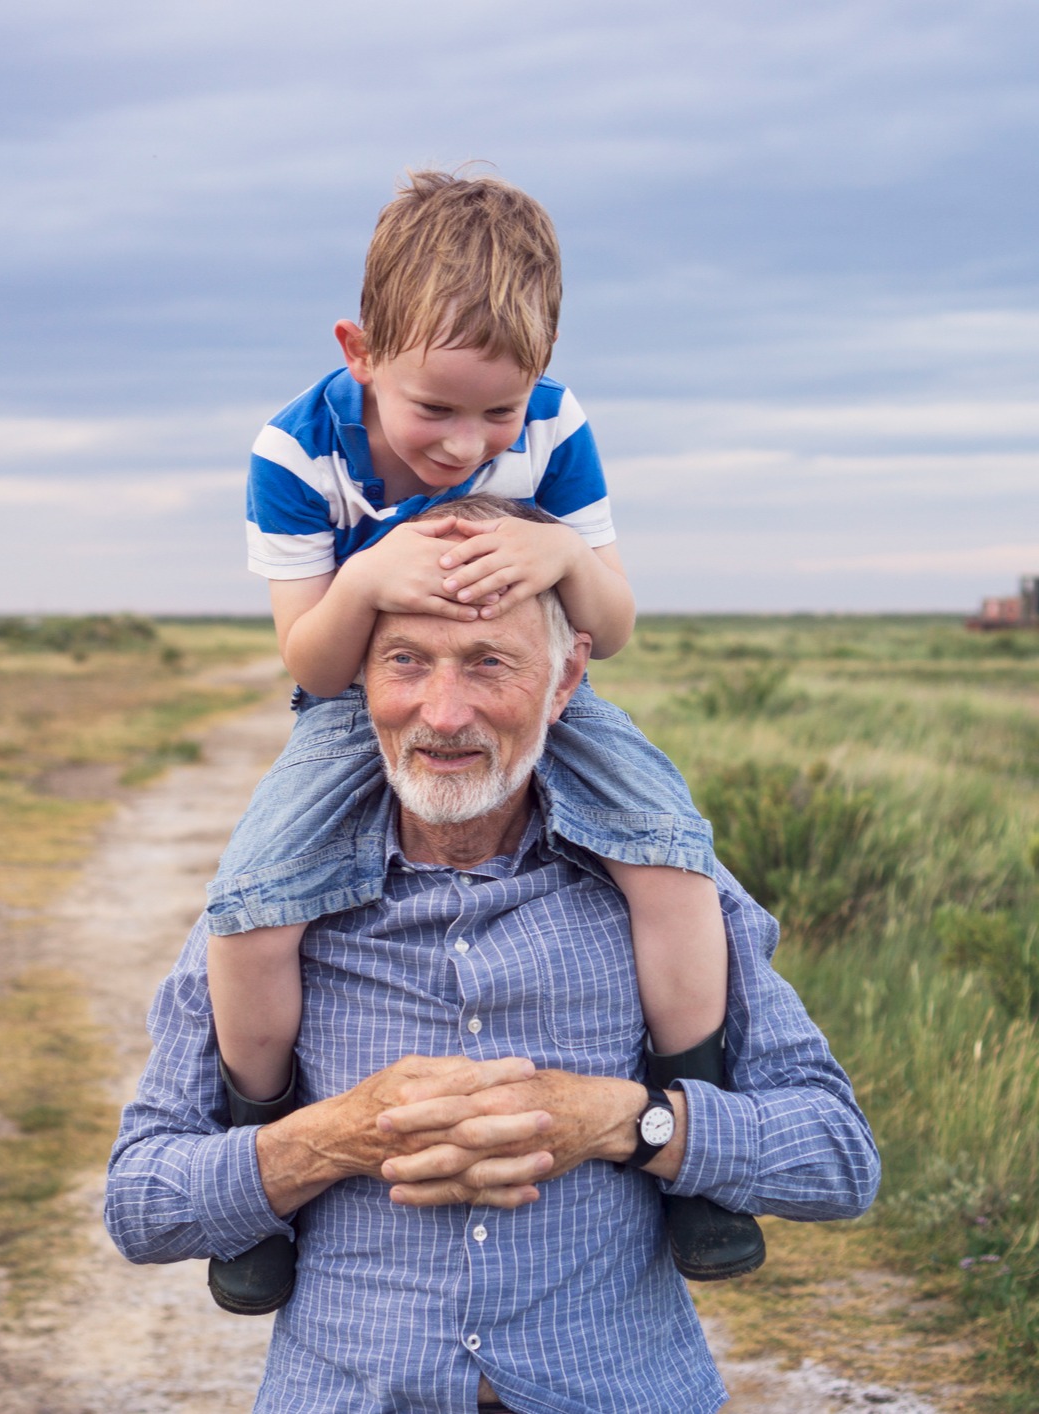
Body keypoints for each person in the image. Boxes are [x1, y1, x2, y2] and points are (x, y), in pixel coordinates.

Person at [105, 579, 880, 1412]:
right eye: (405, 662)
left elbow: (838, 1158)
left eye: (489, 664)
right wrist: (330, 1139)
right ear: (358, 678)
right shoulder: (267, 904)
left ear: (565, 678)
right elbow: (141, 1202)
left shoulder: (672, 889)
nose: (443, 713)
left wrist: (629, 1121)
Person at [202, 169, 758, 1314]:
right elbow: (307, 661)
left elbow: (614, 626)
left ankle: (696, 1128)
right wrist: (368, 580)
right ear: (360, 351)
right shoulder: (295, 452)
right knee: (254, 899)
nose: (468, 444)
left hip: (545, 684)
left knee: (672, 850)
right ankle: (260, 1159)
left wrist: (562, 560)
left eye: (497, 411)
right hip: (357, 703)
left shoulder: (558, 426)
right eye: (436, 410)